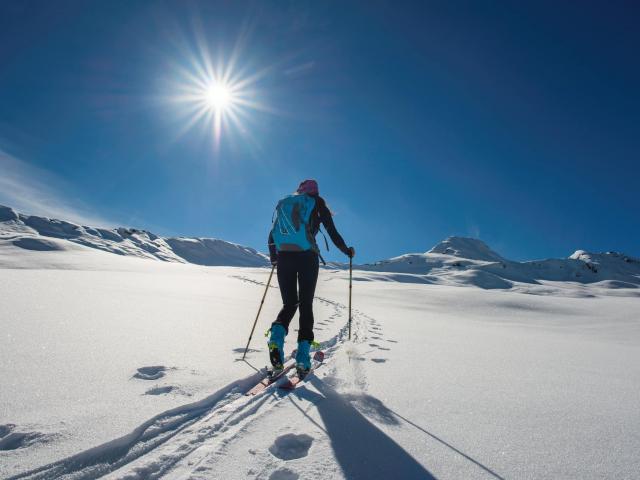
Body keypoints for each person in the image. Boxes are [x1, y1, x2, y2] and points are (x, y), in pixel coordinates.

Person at [267, 179, 355, 375]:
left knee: (289, 304)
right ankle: (303, 358)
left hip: (284, 257)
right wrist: (346, 251)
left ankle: (276, 338)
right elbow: (332, 231)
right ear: (316, 191)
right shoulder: (317, 204)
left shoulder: (287, 205)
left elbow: (272, 235)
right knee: (306, 305)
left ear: (299, 190)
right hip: (307, 257)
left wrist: (275, 258)